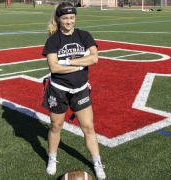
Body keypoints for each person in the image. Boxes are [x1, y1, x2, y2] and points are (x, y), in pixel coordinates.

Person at [41, 2, 106, 180]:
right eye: (65, 18)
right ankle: (52, 158)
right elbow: (54, 67)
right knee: (56, 126)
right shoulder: (53, 40)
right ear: (59, 19)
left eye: (72, 18)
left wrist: (69, 63)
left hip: (80, 89)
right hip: (58, 90)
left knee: (88, 127)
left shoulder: (84, 35)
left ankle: (97, 162)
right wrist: (80, 63)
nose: (69, 21)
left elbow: (94, 59)